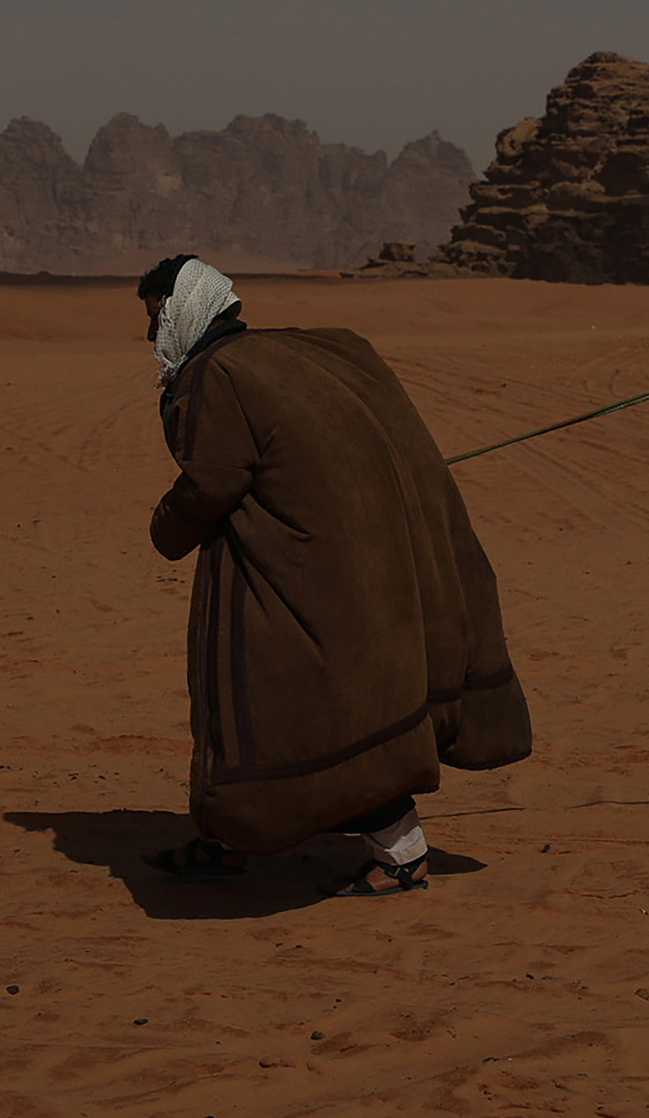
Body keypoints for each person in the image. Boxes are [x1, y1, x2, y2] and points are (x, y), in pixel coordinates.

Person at [135, 253, 531, 896]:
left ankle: (401, 853)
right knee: (259, 706)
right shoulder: (306, 351)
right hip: (351, 558)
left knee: (321, 710)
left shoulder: (218, 373)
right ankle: (230, 836)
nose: (152, 337)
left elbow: (214, 479)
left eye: (156, 319)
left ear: (181, 312)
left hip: (302, 576)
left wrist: (164, 529)